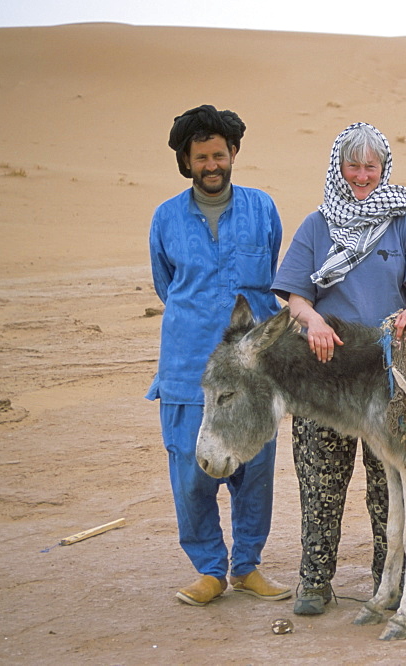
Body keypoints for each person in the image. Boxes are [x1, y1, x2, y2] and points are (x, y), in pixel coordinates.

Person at [270, 122, 406, 615]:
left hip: (386, 374)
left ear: (384, 168)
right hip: (323, 372)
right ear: (337, 167)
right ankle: (313, 582)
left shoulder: (405, 220)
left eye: (371, 166)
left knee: (387, 484)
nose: (361, 176)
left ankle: (384, 581)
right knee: (320, 481)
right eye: (353, 165)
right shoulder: (317, 225)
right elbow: (296, 297)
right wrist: (314, 320)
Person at [148, 104, 289, 606]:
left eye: (220, 155)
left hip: (253, 370)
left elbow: (272, 273)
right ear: (187, 162)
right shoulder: (165, 217)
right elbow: (168, 285)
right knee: (191, 473)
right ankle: (209, 569)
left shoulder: (261, 208)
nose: (212, 165)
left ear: (233, 155)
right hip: (187, 368)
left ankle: (247, 566)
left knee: (255, 473)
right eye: (201, 157)